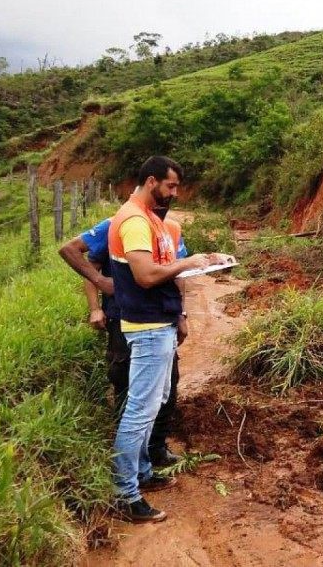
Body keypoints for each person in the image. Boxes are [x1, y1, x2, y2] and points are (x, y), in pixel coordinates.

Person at [108, 156, 223, 523]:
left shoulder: (149, 219)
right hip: (147, 326)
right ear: (152, 180)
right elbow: (145, 275)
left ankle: (141, 472)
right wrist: (189, 264)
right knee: (140, 410)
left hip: (158, 323)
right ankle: (125, 494)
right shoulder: (135, 220)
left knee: (152, 402)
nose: (175, 193)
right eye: (171, 186)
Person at [58, 199, 188, 468]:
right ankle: (127, 465)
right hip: (123, 318)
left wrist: (181, 315)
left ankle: (155, 449)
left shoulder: (170, 229)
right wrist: (96, 305)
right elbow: (85, 261)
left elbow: (178, 276)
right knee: (126, 384)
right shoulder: (118, 225)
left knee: (167, 385)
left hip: (161, 320)